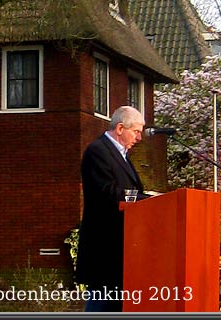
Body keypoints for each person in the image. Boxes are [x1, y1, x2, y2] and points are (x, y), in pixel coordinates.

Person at [75, 106, 150, 312]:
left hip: (122, 248)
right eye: (136, 131)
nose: (139, 138)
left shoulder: (122, 155)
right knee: (102, 303)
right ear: (119, 128)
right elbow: (109, 192)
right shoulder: (98, 151)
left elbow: (126, 190)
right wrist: (145, 199)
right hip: (104, 247)